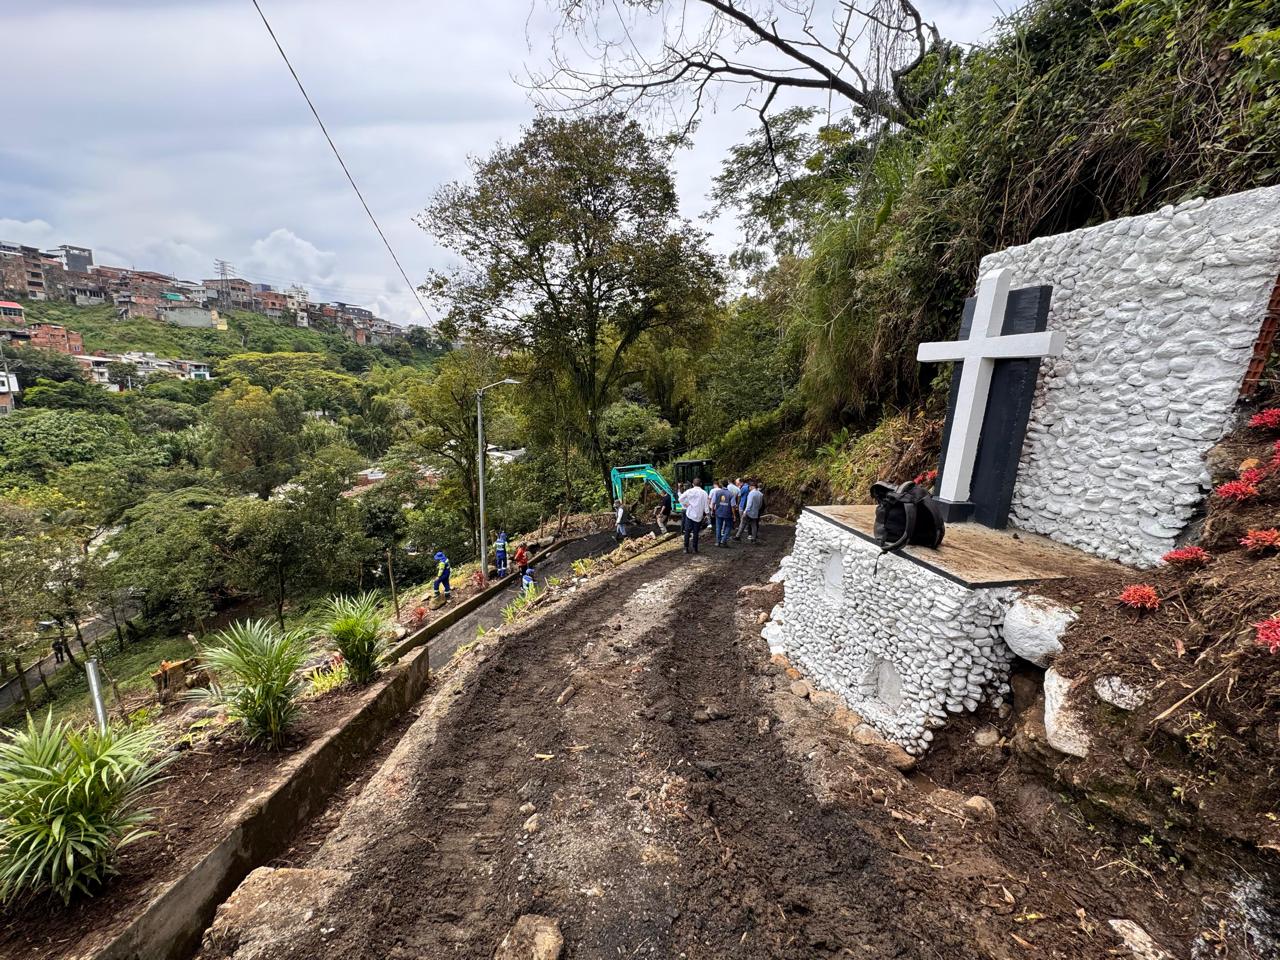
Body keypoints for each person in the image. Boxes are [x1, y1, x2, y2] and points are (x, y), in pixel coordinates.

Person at [678, 477, 709, 554]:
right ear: (700, 484)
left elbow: (680, 499)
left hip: (690, 514)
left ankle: (686, 548)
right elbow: (706, 506)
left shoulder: (689, 491)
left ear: (692, 484)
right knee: (696, 533)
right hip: (699, 515)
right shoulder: (704, 493)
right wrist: (707, 514)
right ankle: (695, 549)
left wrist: (686, 504)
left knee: (687, 532)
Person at [709, 478, 735, 547]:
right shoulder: (731, 494)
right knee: (729, 526)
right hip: (727, 513)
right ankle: (724, 540)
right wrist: (734, 515)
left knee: (718, 527)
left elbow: (713, 502)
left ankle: (717, 542)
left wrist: (712, 511)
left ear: (721, 484)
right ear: (728, 484)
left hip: (718, 512)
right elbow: (733, 506)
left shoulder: (717, 493)